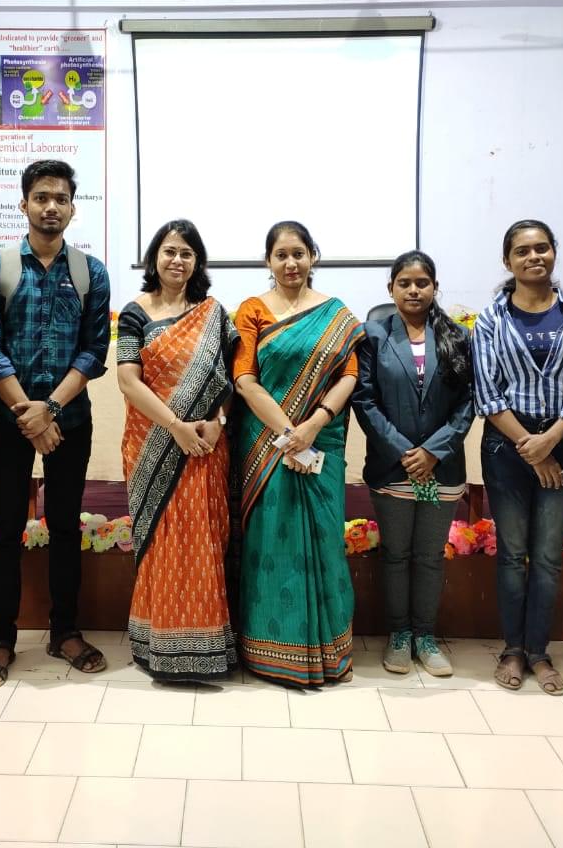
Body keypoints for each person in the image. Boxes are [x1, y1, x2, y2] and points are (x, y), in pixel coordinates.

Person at [0, 159, 112, 685]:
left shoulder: (90, 272)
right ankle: (0, 639)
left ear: (73, 208)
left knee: (65, 525)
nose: (51, 207)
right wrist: (28, 416)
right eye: (41, 197)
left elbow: (94, 350)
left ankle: (65, 631)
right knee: (6, 527)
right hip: (10, 421)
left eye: (61, 198)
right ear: (24, 204)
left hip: (69, 420)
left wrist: (48, 409)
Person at [232, 221, 364, 686]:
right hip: (265, 445)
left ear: (313, 257)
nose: (291, 263)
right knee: (271, 543)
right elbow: (244, 379)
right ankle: (269, 652)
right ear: (268, 261)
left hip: (320, 442)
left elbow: (349, 375)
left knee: (324, 542)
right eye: (281, 255)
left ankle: (330, 653)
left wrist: (313, 426)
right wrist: (289, 432)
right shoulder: (252, 310)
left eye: (299, 254)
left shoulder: (336, 314)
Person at [472, 219, 563, 695]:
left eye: (542, 248)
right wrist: (532, 447)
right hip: (507, 446)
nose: (533, 257)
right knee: (511, 553)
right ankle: (512, 649)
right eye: (522, 251)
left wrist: (550, 441)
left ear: (554, 253)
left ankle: (539, 652)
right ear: (507, 261)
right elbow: (487, 390)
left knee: (546, 556)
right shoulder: (491, 319)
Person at [118, 220, 238, 681]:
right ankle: (159, 646)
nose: (177, 260)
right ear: (155, 257)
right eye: (169, 251)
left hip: (205, 445)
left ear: (197, 262)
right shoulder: (135, 312)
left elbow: (231, 379)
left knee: (203, 540)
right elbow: (128, 381)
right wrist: (175, 427)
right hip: (153, 444)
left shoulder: (213, 313)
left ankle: (206, 647)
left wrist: (217, 422)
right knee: (163, 541)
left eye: (187, 253)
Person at [352, 251, 474, 678]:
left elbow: (468, 402)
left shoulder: (457, 336)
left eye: (422, 282)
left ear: (435, 287)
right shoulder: (373, 335)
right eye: (404, 283)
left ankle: (425, 636)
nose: (414, 290)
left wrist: (433, 451)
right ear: (391, 289)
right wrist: (406, 451)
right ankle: (399, 635)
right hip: (393, 467)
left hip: (442, 468)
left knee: (429, 556)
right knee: (396, 554)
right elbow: (364, 399)